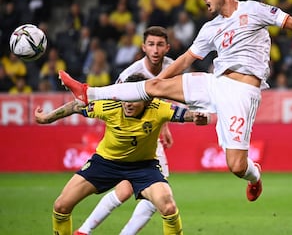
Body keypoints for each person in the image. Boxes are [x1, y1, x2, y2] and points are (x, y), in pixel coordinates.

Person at [59, 0, 292, 204]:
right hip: (214, 83)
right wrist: (161, 81)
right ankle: (89, 92)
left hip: (242, 93)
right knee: (153, 87)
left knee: (236, 166)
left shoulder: (253, 10)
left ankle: (255, 177)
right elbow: (188, 58)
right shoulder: (209, 28)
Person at [35, 73, 209, 235]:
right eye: (126, 99)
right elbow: (76, 106)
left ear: (147, 101)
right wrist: (46, 119)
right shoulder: (110, 106)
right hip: (105, 163)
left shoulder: (158, 108)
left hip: (144, 167)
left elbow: (186, 114)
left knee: (169, 207)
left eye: (134, 99)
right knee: (61, 206)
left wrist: (197, 117)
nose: (128, 103)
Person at [75, 26, 176, 235]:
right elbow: (115, 104)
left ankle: (84, 231)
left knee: (127, 188)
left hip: (150, 132)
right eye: (151, 44)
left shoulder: (173, 67)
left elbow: (167, 99)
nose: (155, 50)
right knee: (159, 191)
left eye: (159, 45)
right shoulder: (130, 74)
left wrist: (163, 125)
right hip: (131, 134)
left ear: (167, 47)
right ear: (143, 47)